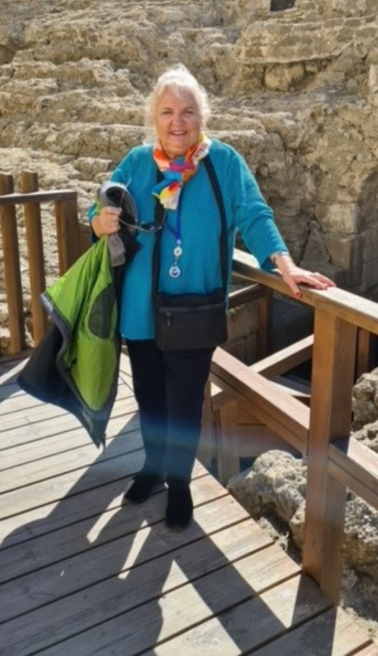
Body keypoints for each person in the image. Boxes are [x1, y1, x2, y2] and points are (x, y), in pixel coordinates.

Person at [89, 64, 335, 531]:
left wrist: (283, 264)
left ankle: (179, 485)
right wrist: (98, 220)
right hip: (140, 309)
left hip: (194, 310)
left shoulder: (223, 162)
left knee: (183, 403)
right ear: (153, 118)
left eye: (187, 110)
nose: (177, 121)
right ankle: (152, 468)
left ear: (202, 115)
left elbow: (254, 214)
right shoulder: (138, 162)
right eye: (166, 111)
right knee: (149, 397)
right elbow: (101, 204)